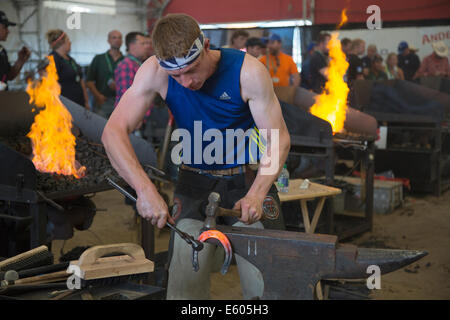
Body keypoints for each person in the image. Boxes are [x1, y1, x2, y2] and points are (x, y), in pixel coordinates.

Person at [102, 13, 290, 300]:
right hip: (194, 182)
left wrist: (257, 193)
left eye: (192, 69)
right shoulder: (153, 71)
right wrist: (144, 190)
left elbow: (278, 139)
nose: (186, 82)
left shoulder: (248, 71)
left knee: (269, 279)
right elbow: (112, 132)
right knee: (184, 280)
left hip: (247, 180)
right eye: (176, 76)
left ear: (206, 45)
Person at [46, 29, 89, 108]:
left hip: (78, 104)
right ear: (62, 43)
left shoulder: (70, 59)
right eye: (68, 40)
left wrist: (86, 101)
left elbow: (80, 79)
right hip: (65, 106)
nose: (70, 43)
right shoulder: (52, 59)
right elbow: (50, 84)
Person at [86, 30, 124, 118]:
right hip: (103, 102)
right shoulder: (99, 59)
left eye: (119, 38)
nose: (117, 40)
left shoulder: (126, 61)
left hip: (121, 103)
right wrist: (97, 96)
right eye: (114, 37)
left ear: (122, 42)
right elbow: (89, 81)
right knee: (100, 129)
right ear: (108, 41)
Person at [114, 31, 149, 106]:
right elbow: (126, 101)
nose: (147, 46)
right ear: (132, 46)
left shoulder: (137, 64)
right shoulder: (126, 66)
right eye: (143, 43)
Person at [0, 11, 30, 89]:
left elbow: (8, 76)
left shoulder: (2, 51)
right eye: (5, 27)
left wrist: (20, 60)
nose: (8, 31)